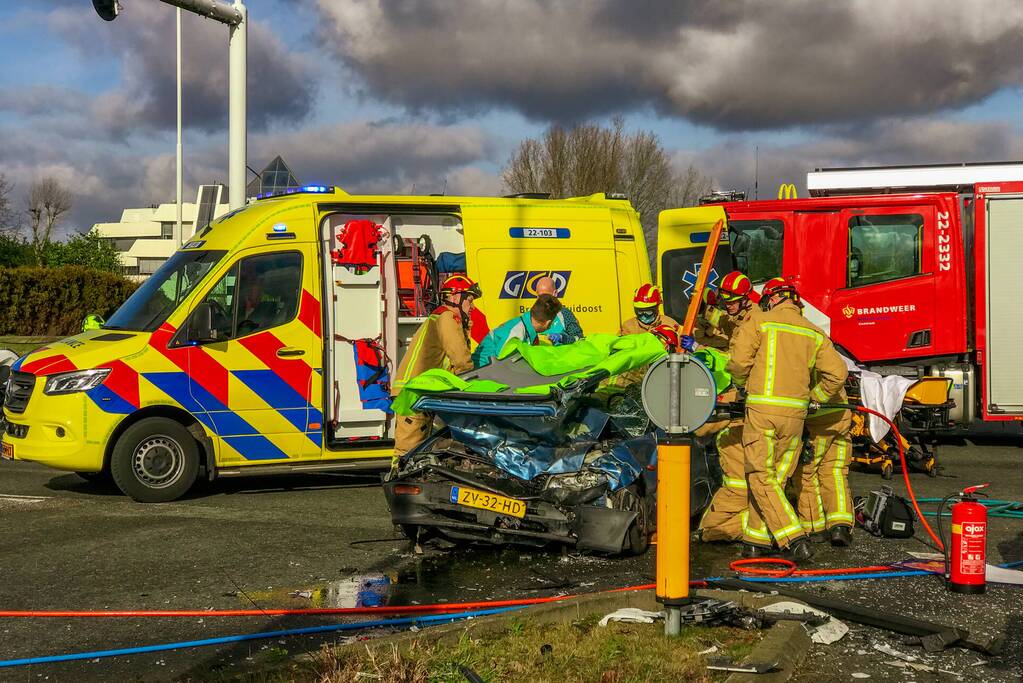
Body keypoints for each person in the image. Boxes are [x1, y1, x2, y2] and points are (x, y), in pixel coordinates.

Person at [727, 276, 847, 562]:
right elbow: (838, 374)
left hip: (762, 412)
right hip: (795, 416)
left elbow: (739, 362)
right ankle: (754, 541)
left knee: (759, 476)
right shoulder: (814, 332)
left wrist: (742, 384)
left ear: (771, 299)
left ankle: (793, 538)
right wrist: (815, 396)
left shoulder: (760, 322)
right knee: (774, 480)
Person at [695, 272, 763, 543]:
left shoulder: (755, 319)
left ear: (746, 299)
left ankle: (742, 525)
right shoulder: (738, 315)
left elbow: (738, 359)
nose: (729, 305)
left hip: (749, 394)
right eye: (727, 299)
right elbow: (724, 327)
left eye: (733, 301)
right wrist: (703, 316)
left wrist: (706, 350)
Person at [390, 274, 480, 459]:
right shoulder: (447, 318)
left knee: (419, 449)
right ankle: (398, 481)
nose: (472, 307)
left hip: (420, 391)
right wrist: (475, 388)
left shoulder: (440, 317)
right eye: (469, 300)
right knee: (407, 451)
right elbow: (461, 359)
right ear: (456, 297)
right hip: (414, 392)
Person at [793, 382, 855, 547]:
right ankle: (840, 526)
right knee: (835, 471)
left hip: (817, 419)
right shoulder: (831, 354)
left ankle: (814, 528)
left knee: (807, 473)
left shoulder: (803, 355)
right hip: (840, 413)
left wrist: (815, 399)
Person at [474, 294, 562, 367]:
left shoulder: (525, 327)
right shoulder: (516, 333)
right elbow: (501, 366)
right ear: (548, 323)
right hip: (482, 374)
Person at [535, 276, 583, 345]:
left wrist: (562, 338)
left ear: (555, 293)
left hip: (562, 355)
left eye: (546, 296)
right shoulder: (531, 316)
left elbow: (579, 339)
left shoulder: (565, 314)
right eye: (540, 296)